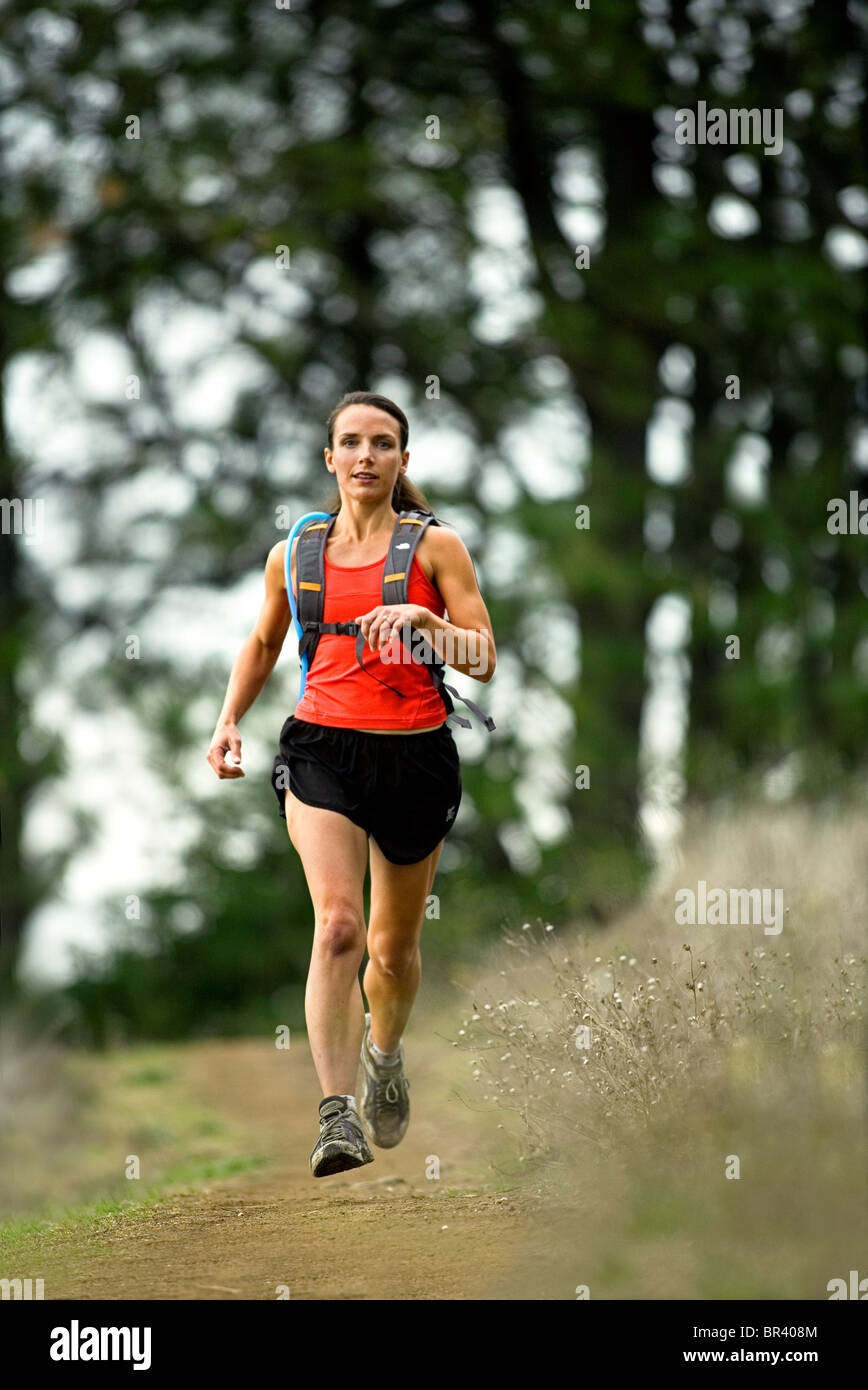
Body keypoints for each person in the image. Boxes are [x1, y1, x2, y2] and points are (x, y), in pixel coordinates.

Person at [206, 391, 496, 1177]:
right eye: (351, 443)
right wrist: (229, 719)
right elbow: (265, 641)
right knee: (338, 927)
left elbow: (484, 658)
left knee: (393, 952)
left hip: (415, 757)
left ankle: (385, 1052)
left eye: (383, 444)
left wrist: (428, 626)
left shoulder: (437, 549)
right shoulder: (293, 553)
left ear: (403, 460)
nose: (366, 456)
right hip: (321, 752)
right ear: (328, 458)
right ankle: (336, 1115)